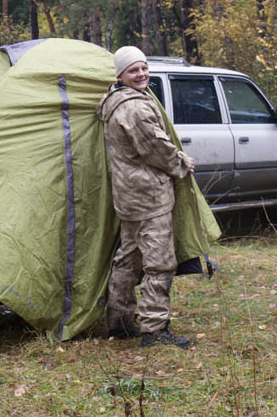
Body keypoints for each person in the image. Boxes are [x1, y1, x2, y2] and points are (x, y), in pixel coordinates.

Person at [96, 46, 195, 349]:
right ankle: (154, 329)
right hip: (148, 195)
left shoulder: (113, 101)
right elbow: (155, 147)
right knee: (159, 262)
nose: (141, 74)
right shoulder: (136, 108)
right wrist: (181, 163)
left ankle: (121, 322)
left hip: (127, 194)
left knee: (129, 258)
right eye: (133, 70)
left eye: (143, 68)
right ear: (120, 75)